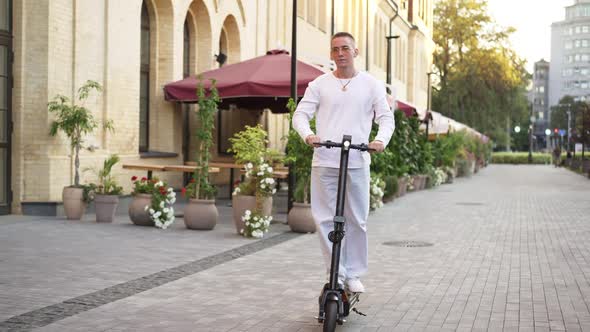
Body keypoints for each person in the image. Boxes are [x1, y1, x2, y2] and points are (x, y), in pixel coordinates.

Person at [292, 32, 395, 293]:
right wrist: (308, 135)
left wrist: (380, 140)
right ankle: (335, 273)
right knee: (325, 220)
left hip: (357, 160)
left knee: (357, 220)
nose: (340, 53)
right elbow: (300, 116)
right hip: (325, 160)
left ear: (355, 52)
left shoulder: (371, 85)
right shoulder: (319, 84)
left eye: (345, 48)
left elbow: (386, 118)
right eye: (336, 49)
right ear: (331, 54)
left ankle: (354, 274)